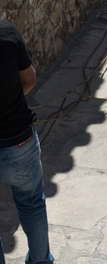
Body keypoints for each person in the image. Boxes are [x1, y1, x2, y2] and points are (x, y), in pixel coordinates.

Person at [0, 20, 54, 264]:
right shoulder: (6, 33)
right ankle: (41, 260)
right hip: (18, 140)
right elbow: (29, 79)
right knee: (32, 203)